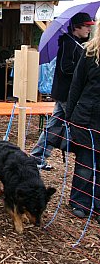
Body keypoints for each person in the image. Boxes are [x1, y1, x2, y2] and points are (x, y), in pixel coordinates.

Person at [31, 12, 94, 170]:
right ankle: (86, 160)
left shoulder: (75, 43)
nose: (88, 29)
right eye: (86, 26)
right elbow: (65, 68)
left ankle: (37, 157)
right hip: (67, 94)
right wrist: (84, 71)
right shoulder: (69, 43)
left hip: (63, 93)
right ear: (76, 27)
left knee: (52, 127)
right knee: (78, 126)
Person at [65, 19, 100, 222]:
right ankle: (80, 201)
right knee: (85, 162)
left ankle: (97, 202)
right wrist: (69, 117)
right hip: (86, 117)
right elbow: (76, 86)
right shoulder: (89, 54)